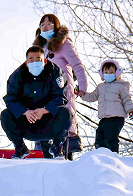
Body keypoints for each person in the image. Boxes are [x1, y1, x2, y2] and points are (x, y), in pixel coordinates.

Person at [0, 46, 70, 159]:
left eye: (38, 59)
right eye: (31, 59)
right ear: (27, 62)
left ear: (45, 60)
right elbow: (11, 99)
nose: (35, 62)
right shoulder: (17, 75)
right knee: (5, 115)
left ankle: (57, 148)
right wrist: (25, 112)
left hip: (49, 122)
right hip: (27, 123)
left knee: (65, 112)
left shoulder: (55, 72)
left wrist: (43, 110)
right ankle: (20, 148)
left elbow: (60, 96)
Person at [33, 13, 88, 157]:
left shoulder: (64, 44)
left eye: (49, 24)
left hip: (62, 91)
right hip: (43, 93)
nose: (45, 27)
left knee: (63, 126)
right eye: (42, 24)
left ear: (56, 26)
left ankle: (65, 160)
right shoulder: (39, 48)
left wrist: (82, 86)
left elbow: (77, 65)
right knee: (44, 129)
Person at [78, 59, 133, 153]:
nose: (108, 74)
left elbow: (126, 99)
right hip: (104, 118)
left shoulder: (120, 86)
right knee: (100, 137)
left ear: (117, 73)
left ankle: (113, 155)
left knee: (111, 137)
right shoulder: (101, 87)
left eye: (111, 72)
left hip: (117, 118)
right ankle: (101, 155)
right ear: (102, 74)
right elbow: (92, 96)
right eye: (106, 72)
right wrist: (81, 94)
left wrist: (131, 110)